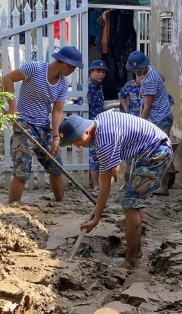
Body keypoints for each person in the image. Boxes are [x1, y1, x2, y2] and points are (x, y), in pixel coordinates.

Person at [57, 111, 171, 270]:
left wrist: (96, 219)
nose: (77, 145)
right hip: (149, 150)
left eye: (77, 140)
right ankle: (136, 251)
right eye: (73, 143)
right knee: (135, 201)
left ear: (87, 131)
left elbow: (105, 187)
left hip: (157, 153)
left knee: (130, 201)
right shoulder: (99, 122)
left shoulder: (104, 141)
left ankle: (130, 261)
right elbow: (120, 136)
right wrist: (114, 165)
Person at [0, 45, 83, 204]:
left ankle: (61, 203)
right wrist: (12, 107)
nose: (73, 71)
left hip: (43, 128)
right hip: (24, 125)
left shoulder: (62, 84)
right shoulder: (34, 68)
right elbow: (8, 78)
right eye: (74, 68)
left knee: (56, 166)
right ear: (68, 65)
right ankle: (13, 207)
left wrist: (56, 137)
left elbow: (57, 110)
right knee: (22, 171)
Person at [126, 50, 176, 195]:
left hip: (160, 119)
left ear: (144, 66)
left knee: (160, 152)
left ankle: (163, 186)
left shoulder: (150, 81)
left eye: (139, 70)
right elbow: (163, 78)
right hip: (159, 116)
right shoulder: (150, 69)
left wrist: (140, 126)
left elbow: (147, 107)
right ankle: (157, 184)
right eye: (135, 70)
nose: (137, 73)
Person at [86, 59, 108, 190]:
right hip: (90, 123)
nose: (101, 75)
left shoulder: (98, 86)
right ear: (91, 72)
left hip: (99, 122)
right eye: (98, 72)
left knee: (95, 152)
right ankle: (95, 184)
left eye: (103, 72)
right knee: (94, 153)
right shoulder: (87, 87)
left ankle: (91, 182)